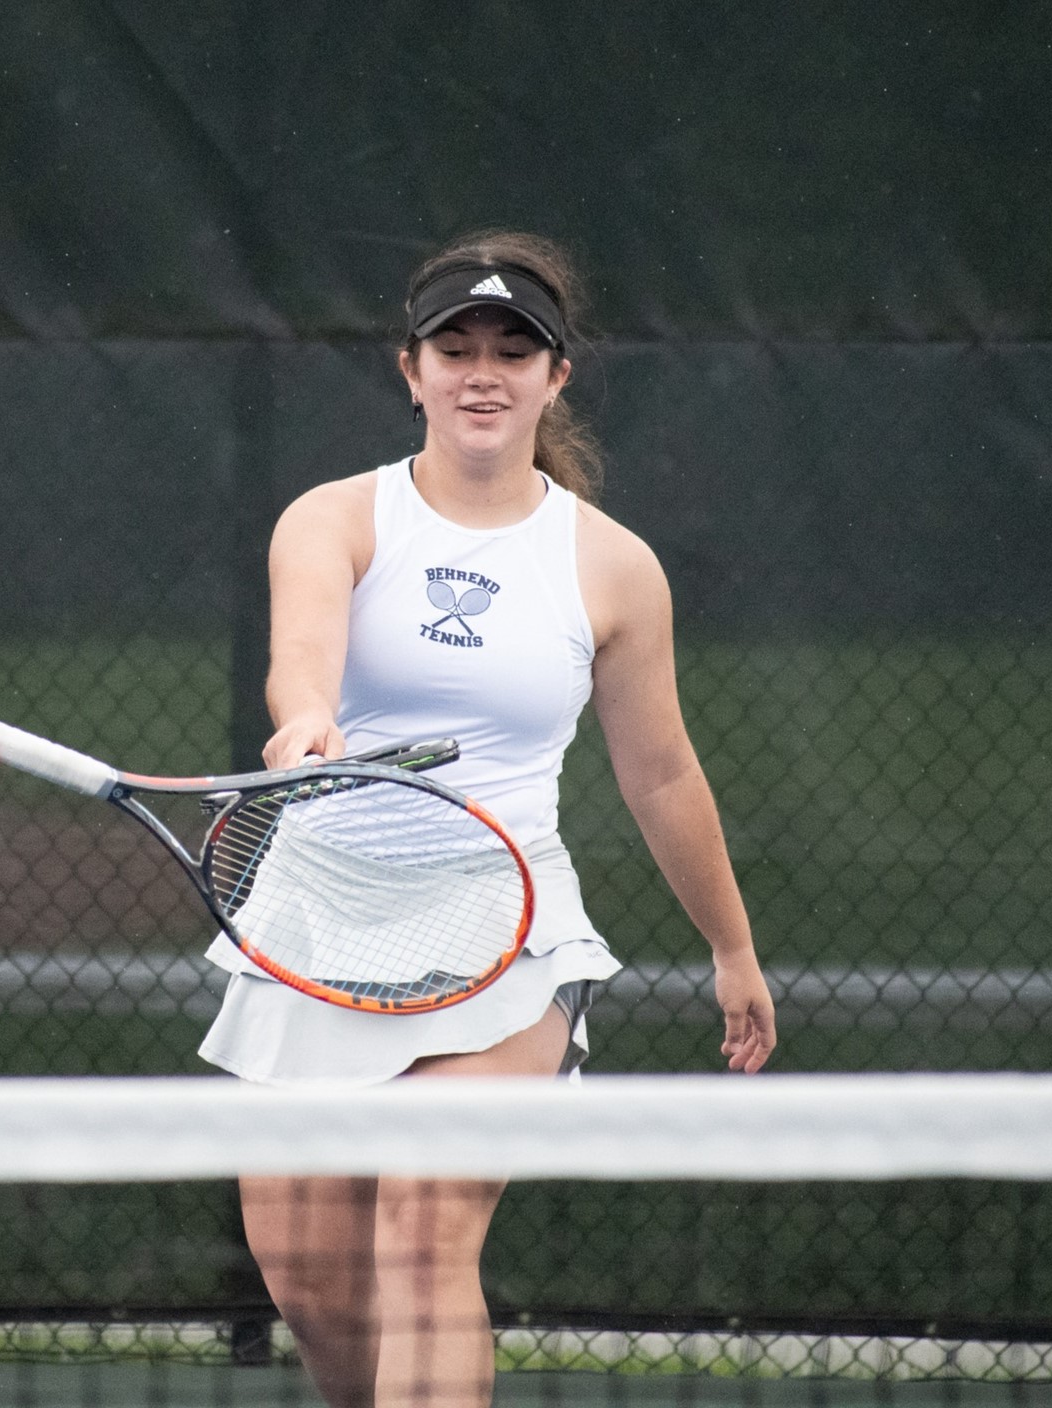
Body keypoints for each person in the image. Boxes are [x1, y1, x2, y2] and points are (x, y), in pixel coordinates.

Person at [197, 232, 778, 1408]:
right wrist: (305, 718)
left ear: (555, 377)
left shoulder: (613, 568)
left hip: (503, 928)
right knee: (305, 1269)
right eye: (455, 347)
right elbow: (301, 652)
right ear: (408, 368)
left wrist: (733, 947)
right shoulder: (334, 518)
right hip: (315, 914)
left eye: (514, 351)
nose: (483, 372)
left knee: (422, 1219)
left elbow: (660, 771)